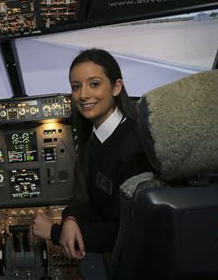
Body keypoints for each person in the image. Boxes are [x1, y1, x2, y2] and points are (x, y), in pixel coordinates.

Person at [32, 48, 152, 260]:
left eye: (94, 84)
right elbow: (87, 196)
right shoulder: (95, 136)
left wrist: (54, 232)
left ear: (116, 87)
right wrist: (70, 219)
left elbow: (126, 232)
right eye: (76, 87)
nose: (83, 95)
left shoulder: (134, 147)